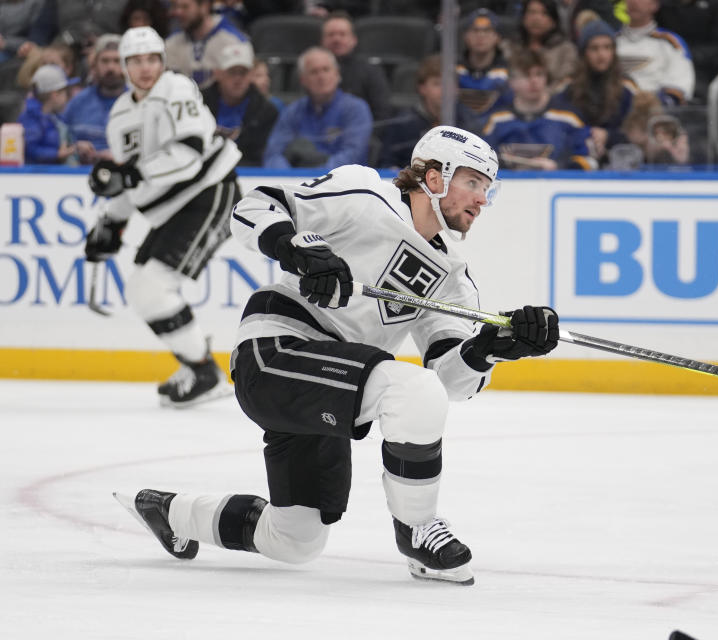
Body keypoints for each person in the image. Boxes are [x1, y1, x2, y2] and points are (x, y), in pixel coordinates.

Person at [113, 125, 560, 585]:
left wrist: (493, 348)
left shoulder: (453, 280)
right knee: (413, 389)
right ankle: (417, 530)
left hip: (333, 382)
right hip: (275, 351)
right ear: (433, 176)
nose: (482, 199)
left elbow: (448, 381)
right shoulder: (365, 194)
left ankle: (168, 512)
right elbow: (253, 207)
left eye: (488, 188)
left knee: (296, 538)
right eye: (473, 182)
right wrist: (297, 248)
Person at [83, 26, 243, 406]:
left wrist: (126, 176)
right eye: (136, 61)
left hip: (211, 191)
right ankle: (198, 365)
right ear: (124, 66)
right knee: (142, 288)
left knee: (154, 286)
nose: (146, 68)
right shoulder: (120, 115)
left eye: (152, 58)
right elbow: (136, 179)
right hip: (173, 206)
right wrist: (111, 221)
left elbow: (188, 153)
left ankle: (205, 374)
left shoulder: (177, 88)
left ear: (162, 61)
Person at [483, 48, 596, 170]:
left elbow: (589, 161)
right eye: (526, 75)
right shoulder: (497, 121)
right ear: (511, 82)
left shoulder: (568, 119)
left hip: (556, 185)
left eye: (539, 74)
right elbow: (481, 160)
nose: (534, 81)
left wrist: (559, 167)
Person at [262, 47, 372, 170]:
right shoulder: (292, 112)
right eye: (314, 72)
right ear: (303, 80)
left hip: (343, 184)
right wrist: (288, 176)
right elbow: (274, 154)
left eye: (326, 69)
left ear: (337, 74)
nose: (321, 76)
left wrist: (315, 176)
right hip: (298, 183)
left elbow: (353, 156)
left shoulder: (356, 109)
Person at [558, 19, 637, 165]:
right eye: (594, 49)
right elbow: (560, 128)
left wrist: (608, 136)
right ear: (584, 53)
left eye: (607, 48)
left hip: (620, 161)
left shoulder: (627, 88)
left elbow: (636, 134)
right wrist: (586, 136)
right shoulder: (569, 87)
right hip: (578, 159)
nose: (602, 55)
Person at [379, 54, 477, 168]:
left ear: (457, 89)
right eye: (437, 83)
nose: (444, 90)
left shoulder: (469, 120)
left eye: (449, 83)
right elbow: (386, 163)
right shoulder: (403, 123)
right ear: (422, 88)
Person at [200, 41, 278, 166]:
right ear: (218, 73)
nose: (238, 79)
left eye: (243, 72)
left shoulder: (267, 111)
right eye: (232, 72)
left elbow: (260, 155)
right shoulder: (199, 103)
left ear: (251, 74)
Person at [61, 34, 125, 164]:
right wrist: (76, 148)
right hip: (80, 175)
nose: (110, 68)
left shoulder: (140, 103)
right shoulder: (77, 103)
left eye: (117, 61)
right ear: (94, 65)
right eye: (105, 61)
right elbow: (60, 143)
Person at [616, 0, 695, 105]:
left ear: (655, 5)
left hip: (656, 113)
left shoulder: (671, 43)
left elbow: (680, 85)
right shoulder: (609, 42)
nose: (634, 2)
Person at [320, 10, 392, 122]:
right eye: (331, 34)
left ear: (353, 40)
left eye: (342, 34)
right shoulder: (311, 72)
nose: (336, 39)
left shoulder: (371, 72)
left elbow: (382, 115)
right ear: (322, 41)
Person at [164, 0, 248, 89]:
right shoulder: (171, 43)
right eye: (175, 7)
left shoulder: (234, 41)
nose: (178, 12)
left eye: (185, 7)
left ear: (205, 6)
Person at [503, 0, 578, 93]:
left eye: (544, 13)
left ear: (553, 21)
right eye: (532, 12)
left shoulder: (565, 50)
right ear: (523, 17)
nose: (536, 18)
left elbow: (565, 83)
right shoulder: (509, 46)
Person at [18, 63, 79, 164]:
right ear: (55, 95)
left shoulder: (55, 116)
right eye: (65, 92)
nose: (68, 97)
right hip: (36, 175)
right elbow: (29, 148)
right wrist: (56, 154)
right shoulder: (32, 117)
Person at [456, 8, 510, 121]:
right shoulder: (452, 70)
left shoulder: (510, 73)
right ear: (465, 36)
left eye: (487, 31)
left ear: (498, 37)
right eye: (475, 30)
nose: (480, 35)